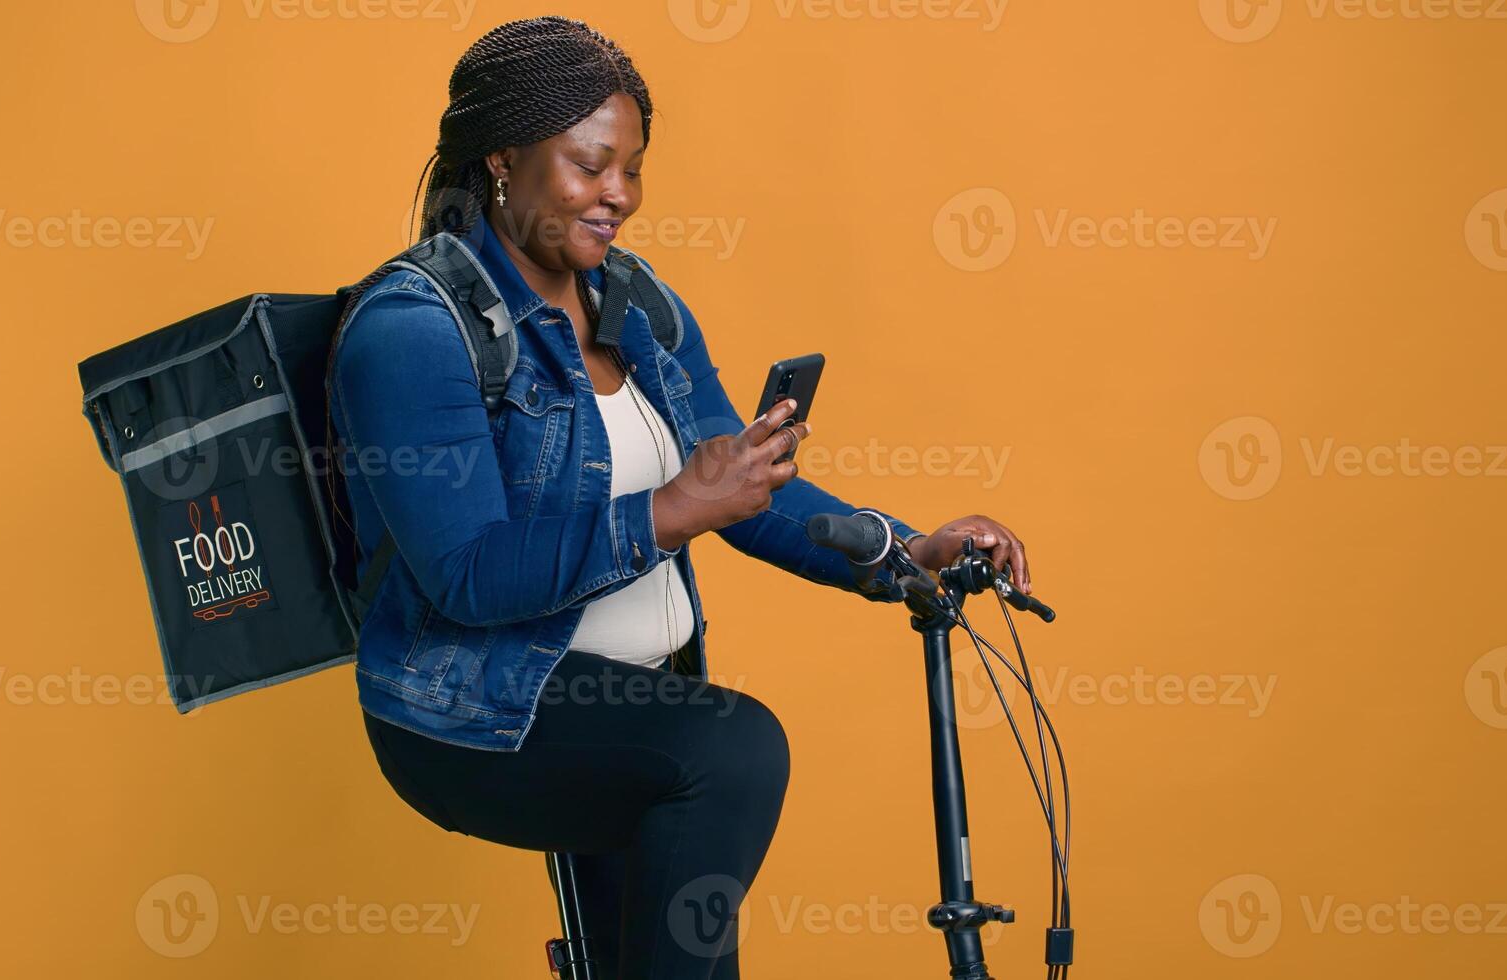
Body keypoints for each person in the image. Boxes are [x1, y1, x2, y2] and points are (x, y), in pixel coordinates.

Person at [328, 16, 1033, 979]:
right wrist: (669, 513)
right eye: (590, 166)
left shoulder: (635, 304)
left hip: (633, 703)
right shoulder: (411, 328)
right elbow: (465, 575)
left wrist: (909, 552)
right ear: (504, 158)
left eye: (632, 169)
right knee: (734, 751)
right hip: (472, 711)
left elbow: (742, 492)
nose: (618, 196)